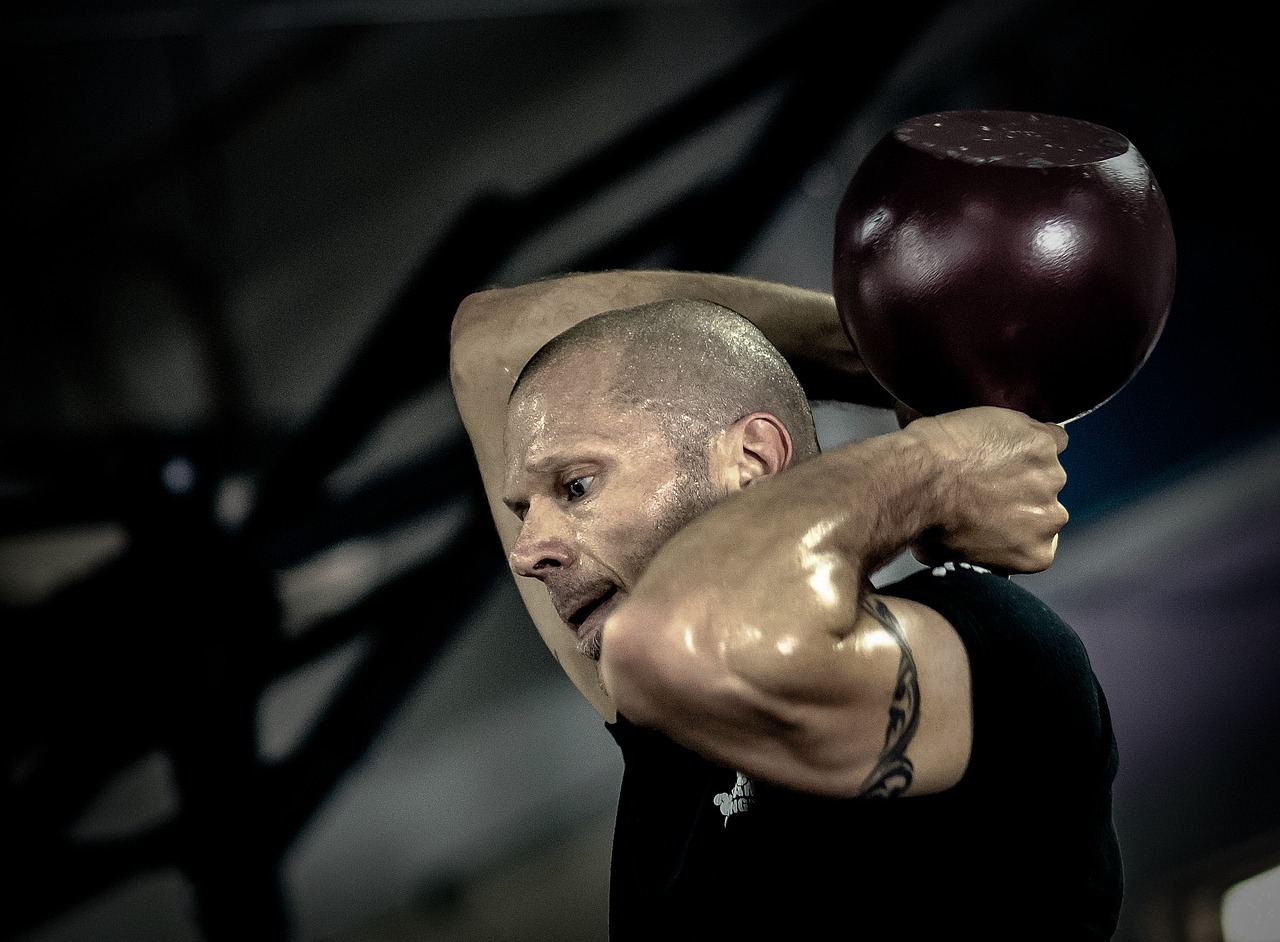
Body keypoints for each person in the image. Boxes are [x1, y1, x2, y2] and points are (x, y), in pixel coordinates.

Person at [449, 269, 1122, 940]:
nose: (525, 551)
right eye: (523, 510)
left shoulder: (998, 649)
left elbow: (681, 641)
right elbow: (489, 345)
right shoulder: (670, 720)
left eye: (575, 487)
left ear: (752, 460)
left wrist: (937, 467)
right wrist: (884, 357)